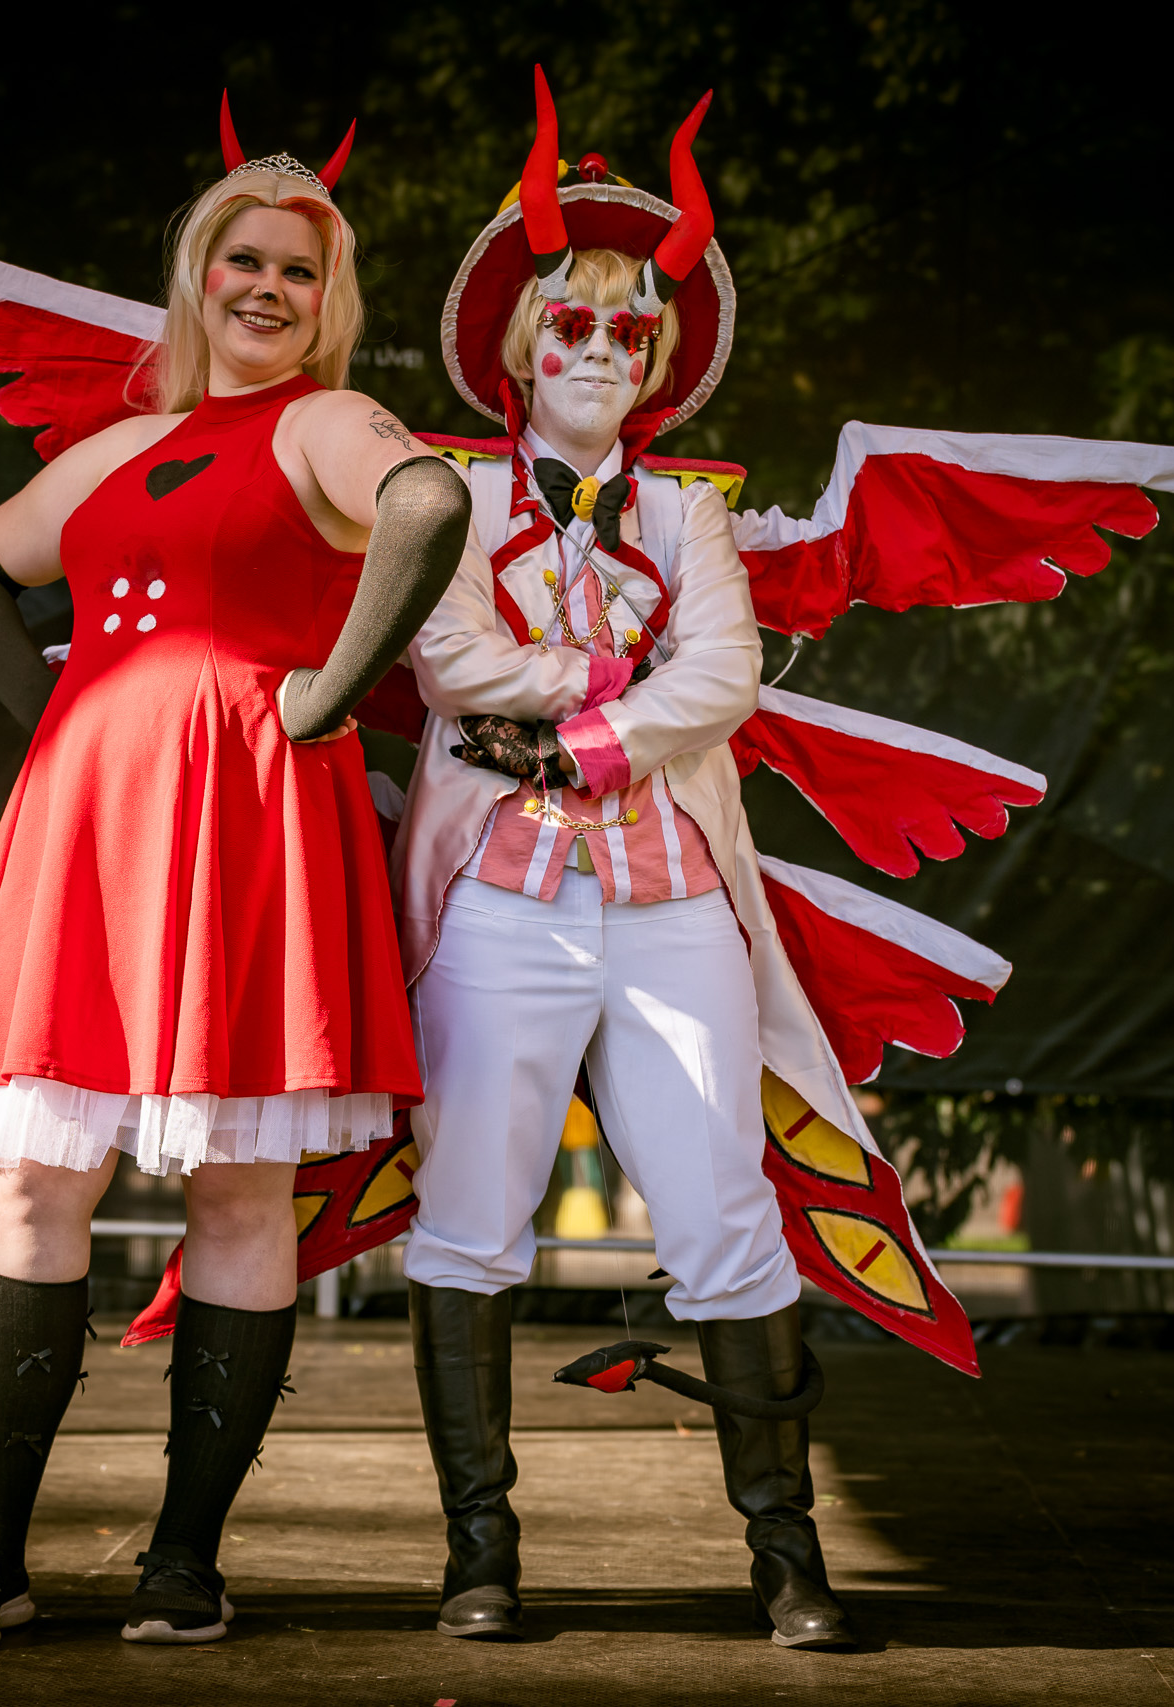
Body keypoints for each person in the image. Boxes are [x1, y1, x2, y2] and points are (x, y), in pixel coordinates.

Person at [0, 101, 470, 1652]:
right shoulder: (122, 444)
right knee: (32, 1179)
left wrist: (326, 692)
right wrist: (55, 721)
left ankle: (185, 1562)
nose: (267, 287)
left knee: (237, 1188)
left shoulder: (328, 423)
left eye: (299, 268)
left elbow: (430, 503)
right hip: (89, 827)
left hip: (250, 816)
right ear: (198, 274)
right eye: (244, 259)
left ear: (327, 298)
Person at [391, 73, 855, 1650]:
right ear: (525, 344)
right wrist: (615, 683)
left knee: (724, 1208)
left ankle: (786, 1558)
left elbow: (722, 678)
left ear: (657, 362)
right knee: (471, 1211)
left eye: (631, 332)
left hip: (670, 908)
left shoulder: (688, 515)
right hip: (496, 907)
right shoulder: (447, 499)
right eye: (575, 324)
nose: (602, 349)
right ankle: (479, 1556)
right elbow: (449, 661)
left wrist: (580, 736)